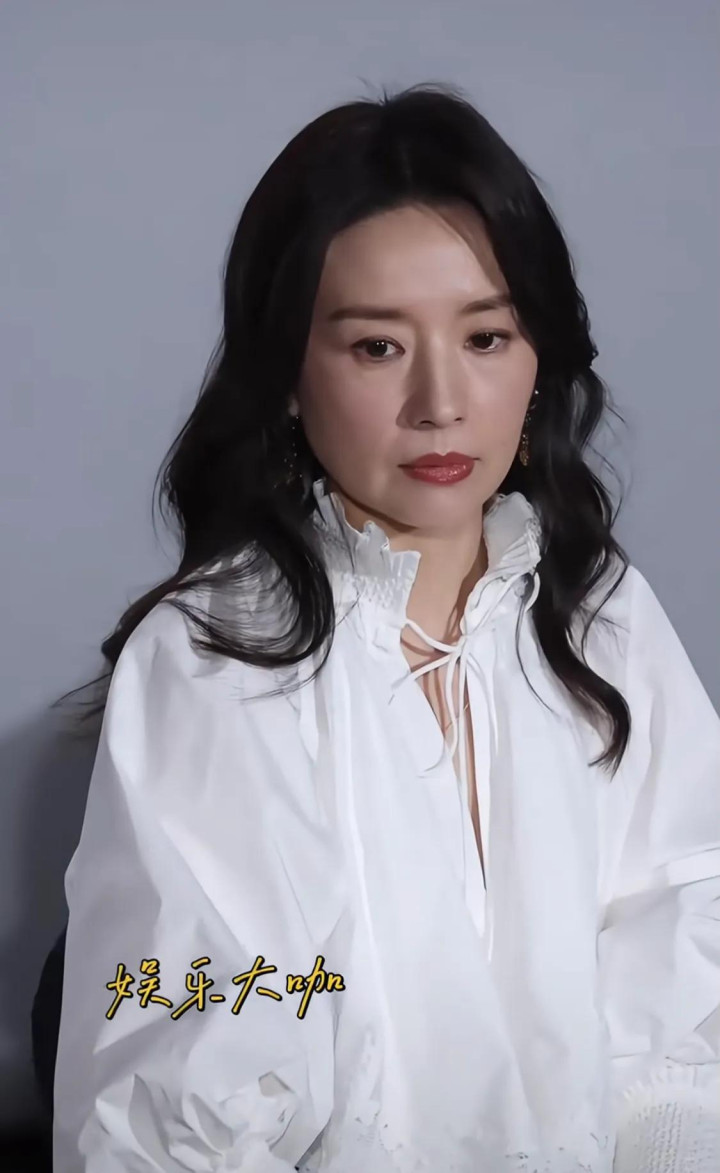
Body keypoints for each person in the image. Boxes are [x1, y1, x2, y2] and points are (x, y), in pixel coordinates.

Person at [50, 81, 720, 1172]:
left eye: (487, 335)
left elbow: (688, 983)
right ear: (285, 376)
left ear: (539, 357)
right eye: (376, 348)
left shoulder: (601, 617)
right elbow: (184, 1078)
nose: (441, 402)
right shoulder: (216, 656)